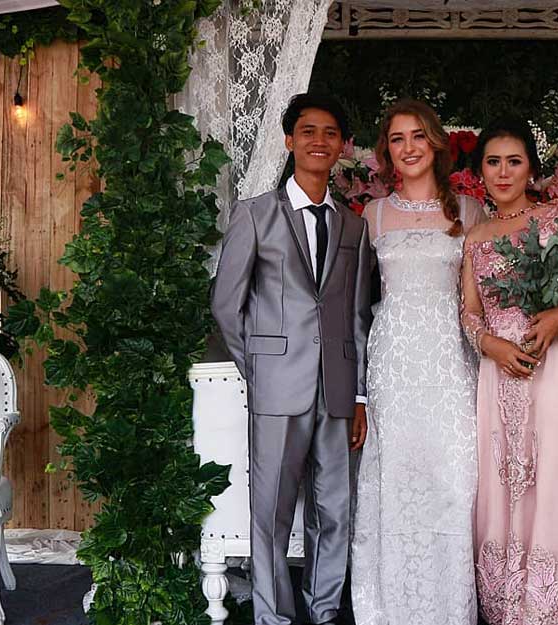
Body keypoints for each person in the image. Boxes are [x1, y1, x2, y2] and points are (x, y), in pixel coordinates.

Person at [211, 93, 372, 625]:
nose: (319, 141)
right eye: (308, 131)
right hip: (277, 387)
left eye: (330, 133)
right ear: (289, 140)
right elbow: (226, 304)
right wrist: (260, 371)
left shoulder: (354, 227)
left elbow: (356, 315)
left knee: (335, 509)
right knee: (272, 512)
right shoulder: (255, 214)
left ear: (342, 146)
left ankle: (324, 611)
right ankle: (274, 616)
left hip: (337, 389)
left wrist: (358, 394)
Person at [460, 118, 558, 625]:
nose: (503, 172)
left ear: (531, 168)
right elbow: (468, 313)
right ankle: (510, 610)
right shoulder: (475, 237)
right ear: (480, 171)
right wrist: (489, 345)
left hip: (555, 371)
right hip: (498, 374)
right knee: (503, 484)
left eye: (514, 161)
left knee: (554, 481)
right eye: (493, 162)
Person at [350, 99, 487, 625]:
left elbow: (483, 299)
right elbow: (356, 302)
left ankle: (449, 611)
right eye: (397, 139)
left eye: (417, 136)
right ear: (386, 151)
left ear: (436, 143)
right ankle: (389, 609)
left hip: (451, 362)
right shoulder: (373, 214)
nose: (408, 147)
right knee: (396, 478)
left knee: (453, 480)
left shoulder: (468, 213)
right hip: (393, 363)